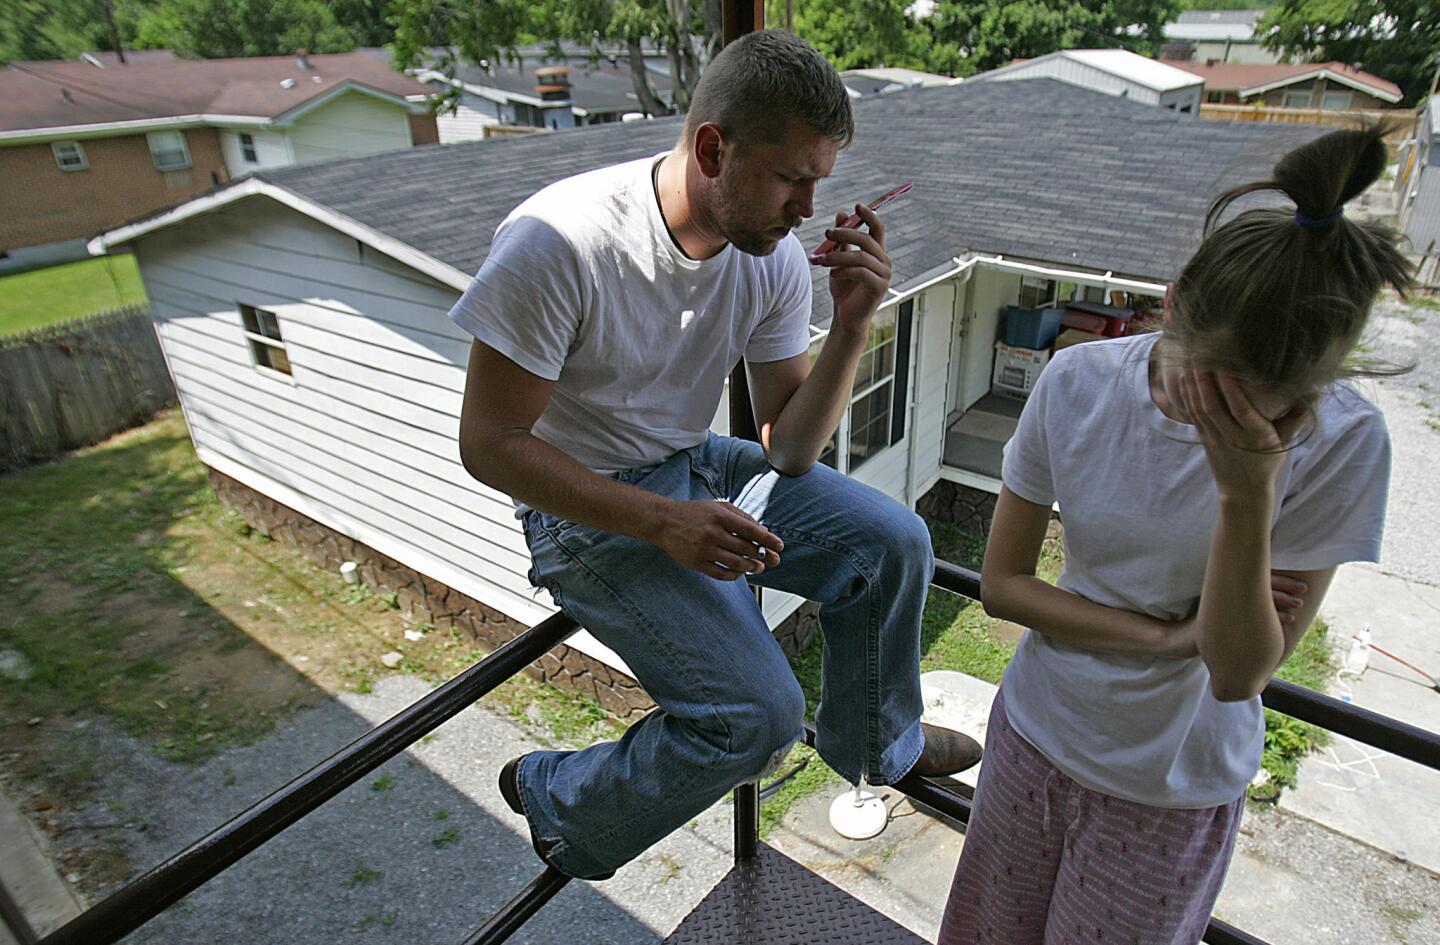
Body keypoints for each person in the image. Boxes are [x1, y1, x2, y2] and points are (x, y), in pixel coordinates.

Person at [450, 29, 982, 882]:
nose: (807, 207)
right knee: (757, 720)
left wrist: (851, 325)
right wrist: (662, 521)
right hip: (582, 508)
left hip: (697, 461)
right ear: (711, 147)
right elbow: (489, 444)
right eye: (791, 177)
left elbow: (792, 448)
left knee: (897, 542)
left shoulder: (764, 254)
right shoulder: (562, 242)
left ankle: (882, 749)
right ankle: (557, 794)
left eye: (820, 182)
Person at [936, 124, 1413, 945]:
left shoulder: (1343, 440)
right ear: (1174, 310)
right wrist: (1166, 638)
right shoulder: (1079, 383)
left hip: (1171, 789)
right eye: (1212, 391)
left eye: (1278, 407)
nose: (1238, 422)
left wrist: (1248, 492)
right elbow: (1005, 585)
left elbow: (1237, 668)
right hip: (1035, 736)